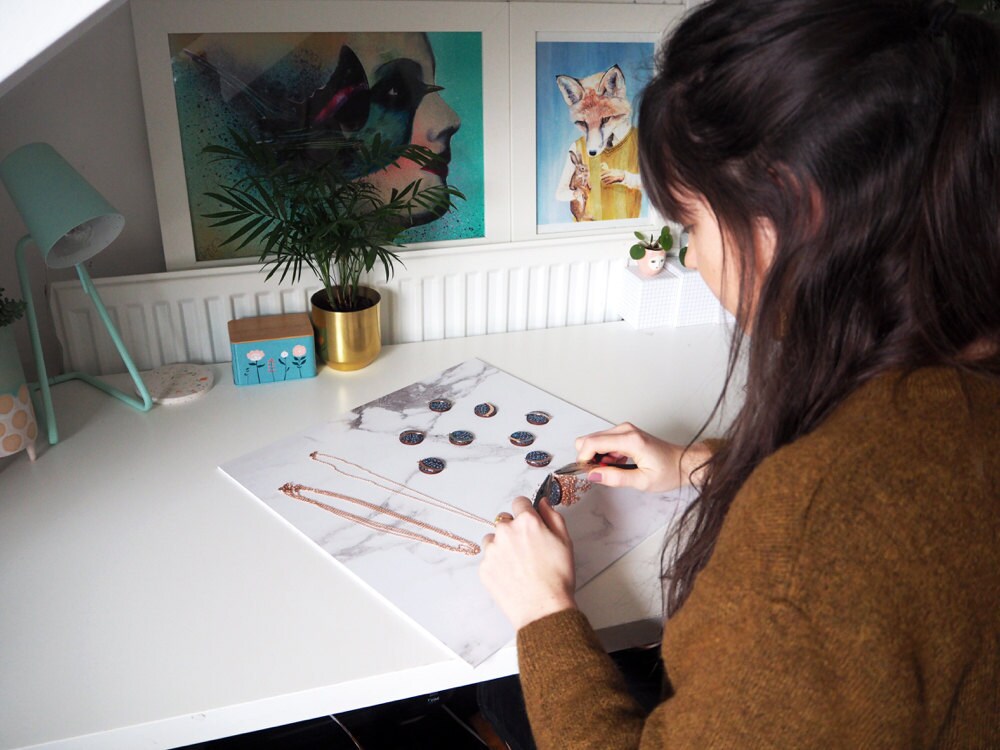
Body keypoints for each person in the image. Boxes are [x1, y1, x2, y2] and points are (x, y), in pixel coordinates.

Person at [478, 0, 1000, 747]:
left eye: (692, 223)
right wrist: (702, 464)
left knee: (506, 688)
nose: (690, 257)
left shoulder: (817, 532)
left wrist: (543, 614)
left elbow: (854, 528)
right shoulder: (958, 379)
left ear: (793, 206)